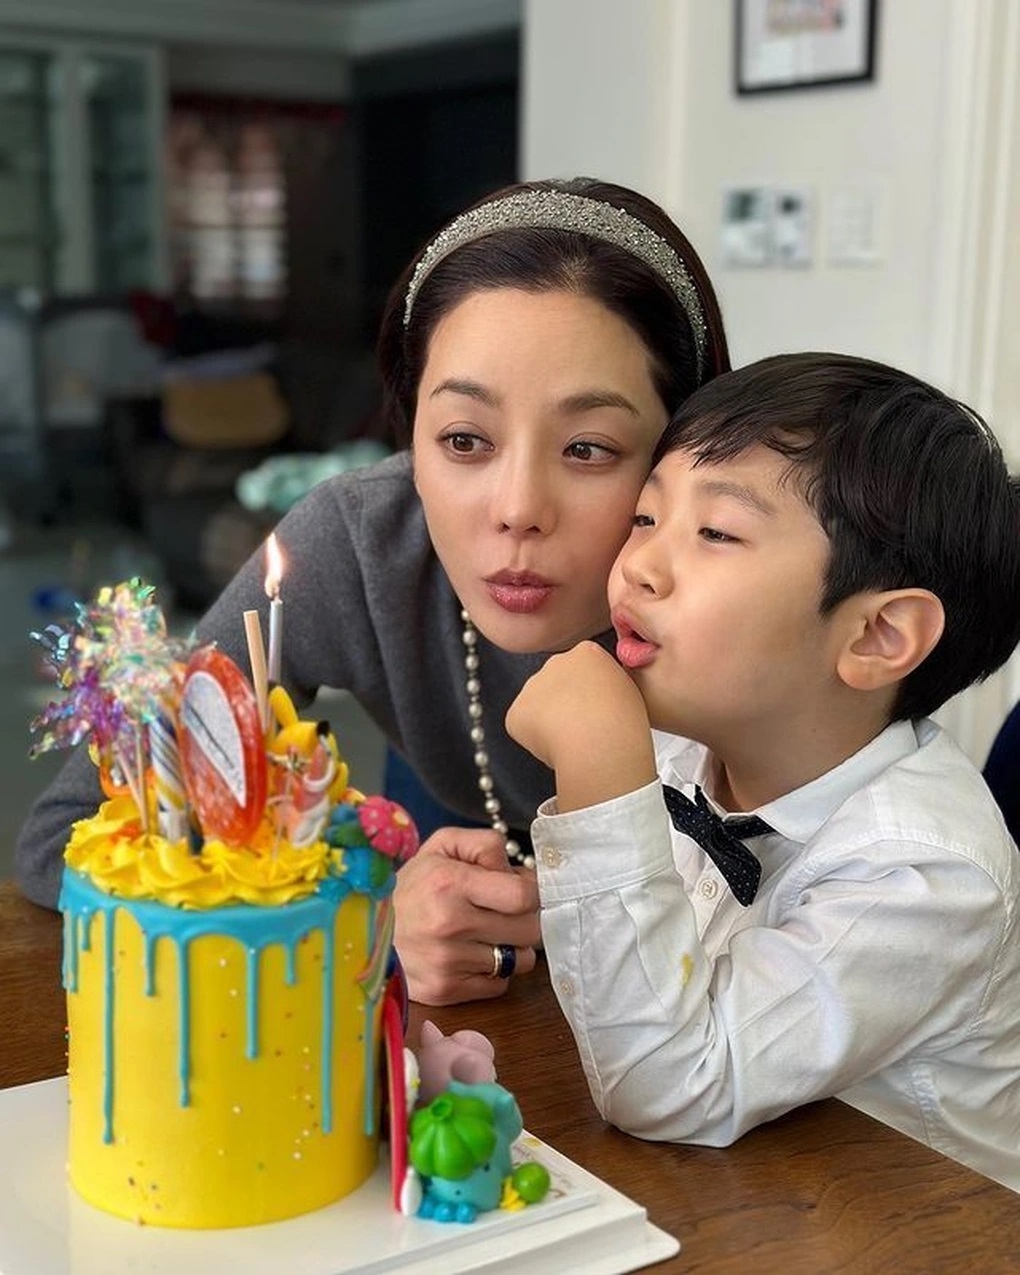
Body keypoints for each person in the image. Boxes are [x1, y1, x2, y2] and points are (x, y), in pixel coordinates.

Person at [14, 177, 731, 1006]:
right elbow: (62, 840)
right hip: (460, 857)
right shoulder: (362, 544)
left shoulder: (756, 588)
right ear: (409, 437)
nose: (517, 509)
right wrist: (361, 914)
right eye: (464, 439)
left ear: (685, 449)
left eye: (588, 448)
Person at [504, 352, 1020, 1189]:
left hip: (912, 1224)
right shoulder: (684, 750)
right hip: (750, 1186)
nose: (638, 565)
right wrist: (512, 915)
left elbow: (666, 1086)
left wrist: (599, 763)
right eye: (646, 516)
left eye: (715, 532)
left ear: (877, 636)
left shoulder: (927, 871)